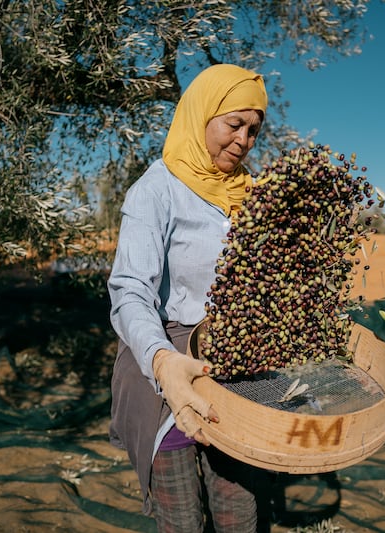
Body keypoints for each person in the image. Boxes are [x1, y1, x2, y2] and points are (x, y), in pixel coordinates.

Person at [107, 64, 270, 532]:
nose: (244, 140)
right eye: (234, 123)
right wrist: (163, 364)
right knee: (182, 520)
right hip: (166, 365)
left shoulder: (253, 196)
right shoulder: (156, 190)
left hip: (233, 365)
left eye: (254, 130)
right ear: (202, 114)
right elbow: (130, 291)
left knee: (239, 512)